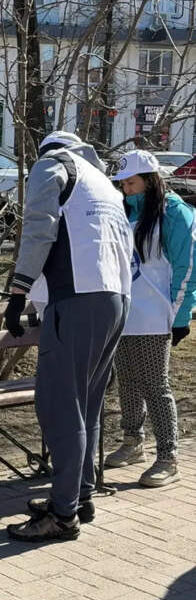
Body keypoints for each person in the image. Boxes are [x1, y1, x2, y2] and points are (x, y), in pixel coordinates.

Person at [4, 131, 133, 541]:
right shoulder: (102, 182)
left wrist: (18, 290)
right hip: (116, 297)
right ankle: (79, 495)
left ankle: (62, 516)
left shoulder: (52, 165)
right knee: (87, 405)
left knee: (60, 406)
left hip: (76, 298)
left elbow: (39, 227)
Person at [105, 150, 196, 486]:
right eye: (123, 183)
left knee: (155, 386)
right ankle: (133, 441)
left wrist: (181, 314)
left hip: (157, 315)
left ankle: (168, 456)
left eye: (132, 182)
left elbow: (188, 265)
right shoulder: (123, 210)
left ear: (150, 179)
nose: (126, 188)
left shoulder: (174, 212)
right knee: (127, 380)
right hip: (125, 313)